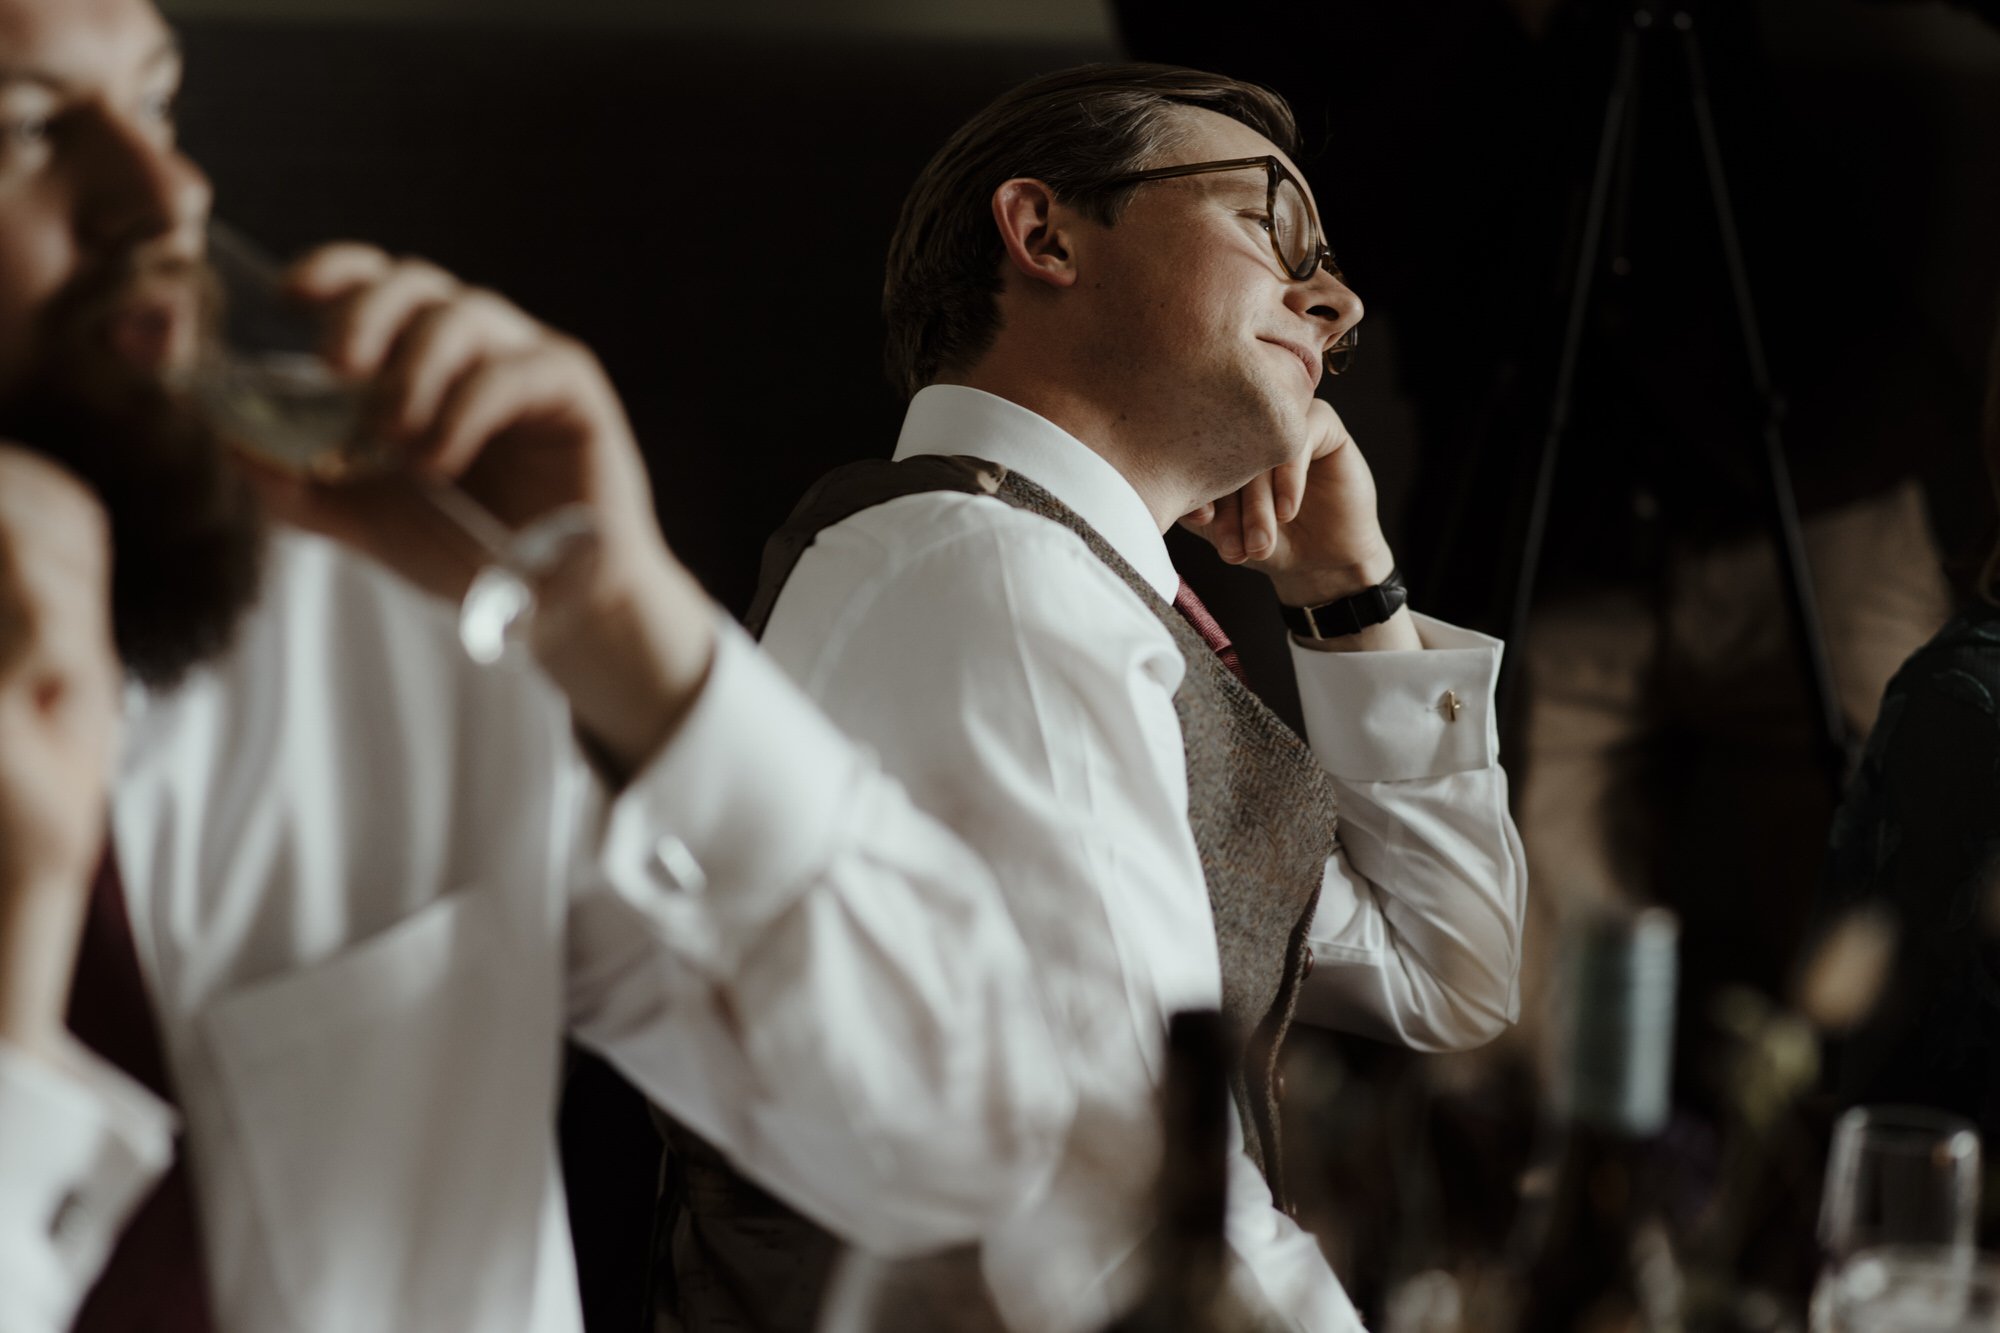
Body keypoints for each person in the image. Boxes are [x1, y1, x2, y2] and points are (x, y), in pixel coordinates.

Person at [0, 0, 1078, 1328]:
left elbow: (975, 1139)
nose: (164, 193)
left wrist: (631, 634)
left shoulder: (397, 617)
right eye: (25, 126)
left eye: (153, 105)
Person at [654, 64, 1527, 1333]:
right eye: (1264, 225)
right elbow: (1134, 1211)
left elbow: (1448, 973)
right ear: (1044, 233)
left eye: (1327, 266)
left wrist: (1350, 592)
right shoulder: (994, 581)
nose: (1333, 301)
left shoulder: (1027, 576)